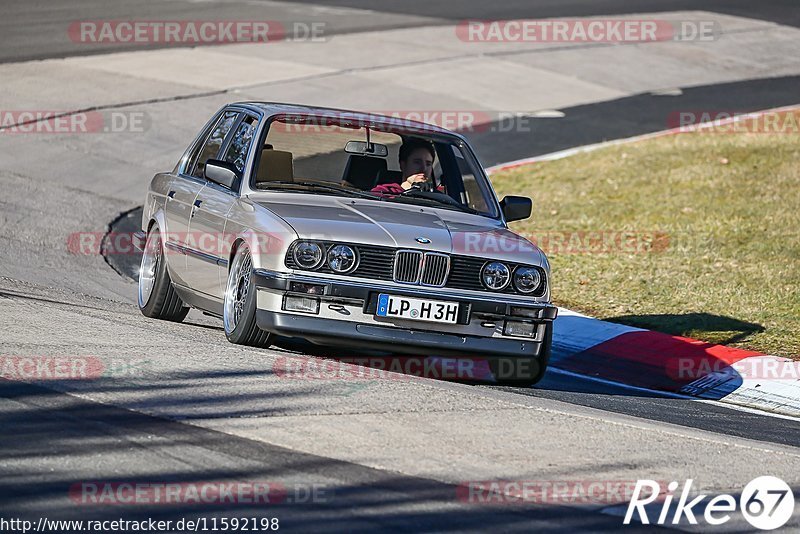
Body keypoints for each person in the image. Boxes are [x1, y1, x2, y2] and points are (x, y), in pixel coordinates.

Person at [371, 137, 437, 196]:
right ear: (403, 165)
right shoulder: (383, 193)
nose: (424, 168)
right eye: (417, 162)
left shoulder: (438, 198)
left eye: (428, 164)